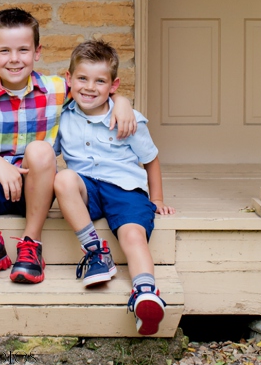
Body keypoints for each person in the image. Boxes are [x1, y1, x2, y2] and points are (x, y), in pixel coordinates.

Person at [0, 8, 136, 285]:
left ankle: (31, 244)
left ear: (37, 52)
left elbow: (94, 91)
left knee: (40, 150)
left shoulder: (56, 88)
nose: (14, 59)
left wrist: (122, 101)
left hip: (36, 188)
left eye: (23, 50)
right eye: (4, 51)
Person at [53, 39, 175, 336]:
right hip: (87, 189)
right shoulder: (61, 117)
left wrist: (156, 197)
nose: (89, 87)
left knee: (133, 235)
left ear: (113, 85)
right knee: (63, 179)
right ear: (68, 79)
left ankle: (145, 292)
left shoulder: (128, 120)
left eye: (100, 81)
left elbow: (151, 158)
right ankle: (96, 251)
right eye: (82, 78)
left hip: (125, 189)